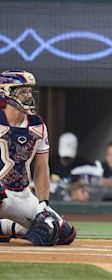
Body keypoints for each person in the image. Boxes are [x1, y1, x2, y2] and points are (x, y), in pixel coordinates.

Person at [0, 70, 76, 246]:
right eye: (22, 91)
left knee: (62, 233)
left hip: (21, 193)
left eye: (29, 91)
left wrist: (43, 204)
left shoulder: (37, 125)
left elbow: (42, 167)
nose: (28, 96)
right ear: (5, 93)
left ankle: (7, 227)